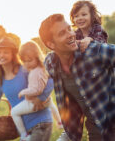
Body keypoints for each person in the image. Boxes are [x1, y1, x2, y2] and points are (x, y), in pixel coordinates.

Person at [39, 13, 115, 141]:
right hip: (95, 131)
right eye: (62, 33)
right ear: (51, 44)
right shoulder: (51, 63)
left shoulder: (93, 51)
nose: (71, 34)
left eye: (69, 28)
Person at [0, 36, 54, 141]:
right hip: (24, 130)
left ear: (13, 54)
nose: (1, 55)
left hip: (40, 122)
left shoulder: (24, 69)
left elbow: (50, 80)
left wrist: (41, 98)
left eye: (6, 52)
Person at [11, 41, 63, 140]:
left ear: (37, 57)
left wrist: (23, 92)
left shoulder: (35, 72)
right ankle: (59, 121)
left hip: (33, 102)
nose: (26, 64)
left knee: (14, 112)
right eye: (24, 61)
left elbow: (36, 90)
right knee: (50, 102)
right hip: (46, 101)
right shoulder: (43, 68)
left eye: (29, 60)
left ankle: (23, 134)